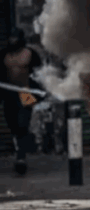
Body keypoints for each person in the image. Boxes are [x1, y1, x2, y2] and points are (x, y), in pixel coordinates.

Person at [1, 28, 44, 175]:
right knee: (12, 124)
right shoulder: (4, 55)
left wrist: (39, 89)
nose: (12, 41)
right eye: (10, 38)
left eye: (15, 38)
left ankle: (21, 157)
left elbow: (39, 72)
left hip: (26, 93)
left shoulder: (29, 54)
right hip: (9, 94)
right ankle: (19, 147)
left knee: (22, 123)